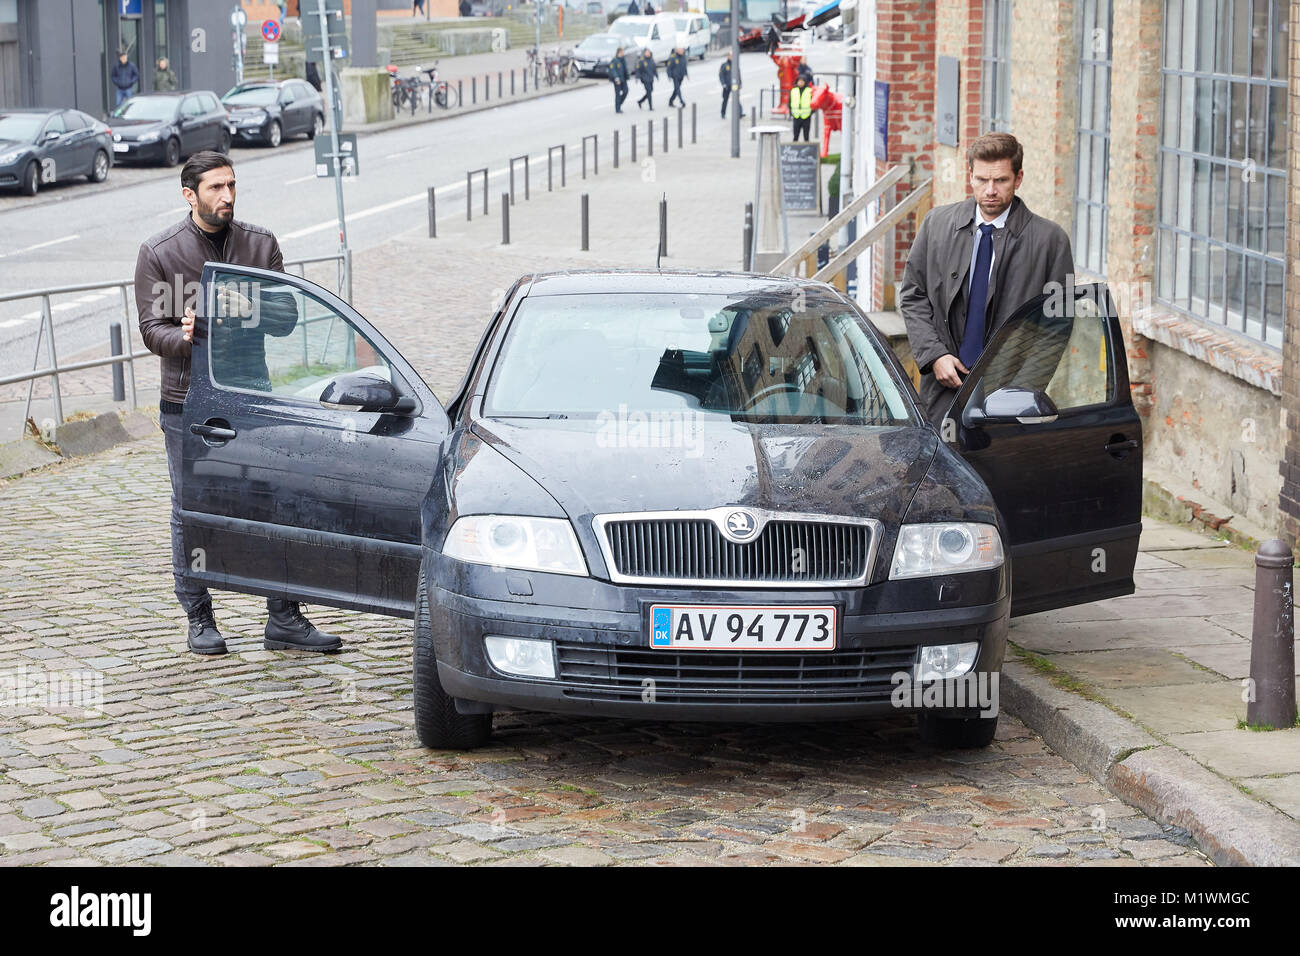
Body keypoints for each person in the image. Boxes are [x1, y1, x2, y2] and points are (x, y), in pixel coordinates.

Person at [134, 151, 342, 657]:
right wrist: (185, 337)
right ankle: (200, 618)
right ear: (190, 195)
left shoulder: (259, 243)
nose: (227, 196)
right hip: (187, 403)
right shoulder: (160, 252)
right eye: (215, 188)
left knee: (275, 504)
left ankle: (284, 617)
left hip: (254, 396)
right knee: (193, 510)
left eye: (231, 186)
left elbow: (287, 317)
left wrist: (240, 304)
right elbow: (150, 330)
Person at [899, 132, 1074, 426]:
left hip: (1013, 400)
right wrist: (935, 355)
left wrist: (1019, 391)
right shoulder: (936, 224)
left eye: (1001, 180)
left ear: (1018, 179)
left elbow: (1056, 325)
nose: (990, 190)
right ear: (970, 176)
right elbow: (913, 296)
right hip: (942, 389)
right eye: (982, 180)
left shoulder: (1050, 241)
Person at [608, 45, 630, 113]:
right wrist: (616, 78)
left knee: (626, 91)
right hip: (617, 80)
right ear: (619, 52)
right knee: (617, 94)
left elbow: (625, 69)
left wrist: (627, 76)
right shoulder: (614, 60)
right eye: (622, 52)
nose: (623, 53)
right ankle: (617, 109)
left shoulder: (623, 59)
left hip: (623, 79)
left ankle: (619, 104)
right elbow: (612, 70)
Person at [789, 74, 811, 141]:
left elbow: (814, 103)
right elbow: (789, 102)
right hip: (796, 116)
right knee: (795, 135)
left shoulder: (809, 90)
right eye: (799, 81)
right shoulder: (793, 90)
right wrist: (791, 113)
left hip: (806, 116)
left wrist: (811, 112)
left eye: (802, 81)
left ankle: (807, 149)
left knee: (806, 136)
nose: (800, 83)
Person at [718, 50, 737, 119]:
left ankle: (740, 112)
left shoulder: (735, 64)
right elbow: (721, 75)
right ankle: (723, 113)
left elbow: (738, 74)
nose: (732, 57)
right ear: (728, 56)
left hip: (734, 85)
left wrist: (739, 83)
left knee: (736, 99)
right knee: (725, 100)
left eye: (732, 56)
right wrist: (723, 84)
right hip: (726, 86)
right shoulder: (724, 65)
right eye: (730, 56)